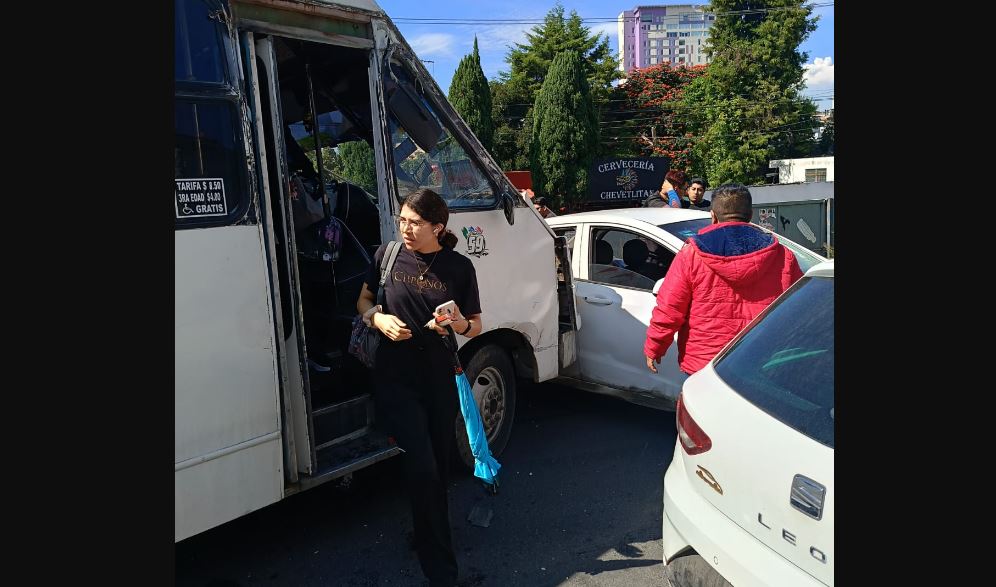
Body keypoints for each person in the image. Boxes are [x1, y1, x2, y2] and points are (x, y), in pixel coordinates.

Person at [355, 188, 482, 587]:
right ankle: (441, 569)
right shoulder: (387, 255)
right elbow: (363, 300)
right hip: (395, 378)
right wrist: (377, 319)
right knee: (424, 466)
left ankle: (426, 530)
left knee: (436, 466)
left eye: (414, 223)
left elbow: (475, 325)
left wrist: (456, 322)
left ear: (437, 227)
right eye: (402, 221)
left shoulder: (459, 267)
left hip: (439, 378)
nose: (405, 229)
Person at [643, 184, 803, 376]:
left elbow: (670, 307)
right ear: (750, 215)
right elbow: (801, 311)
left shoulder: (692, 254)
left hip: (705, 363)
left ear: (713, 216)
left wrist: (655, 345)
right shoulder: (782, 256)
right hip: (762, 362)